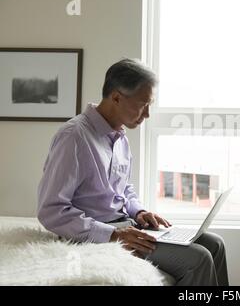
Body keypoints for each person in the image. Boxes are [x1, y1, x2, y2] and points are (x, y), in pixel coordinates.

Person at [37, 58, 229, 286]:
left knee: (215, 244)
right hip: (95, 235)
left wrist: (138, 212)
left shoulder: (119, 137)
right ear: (116, 97)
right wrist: (112, 234)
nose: (147, 114)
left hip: (126, 224)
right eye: (143, 104)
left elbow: (123, 189)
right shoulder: (74, 137)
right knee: (198, 259)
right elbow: (51, 211)